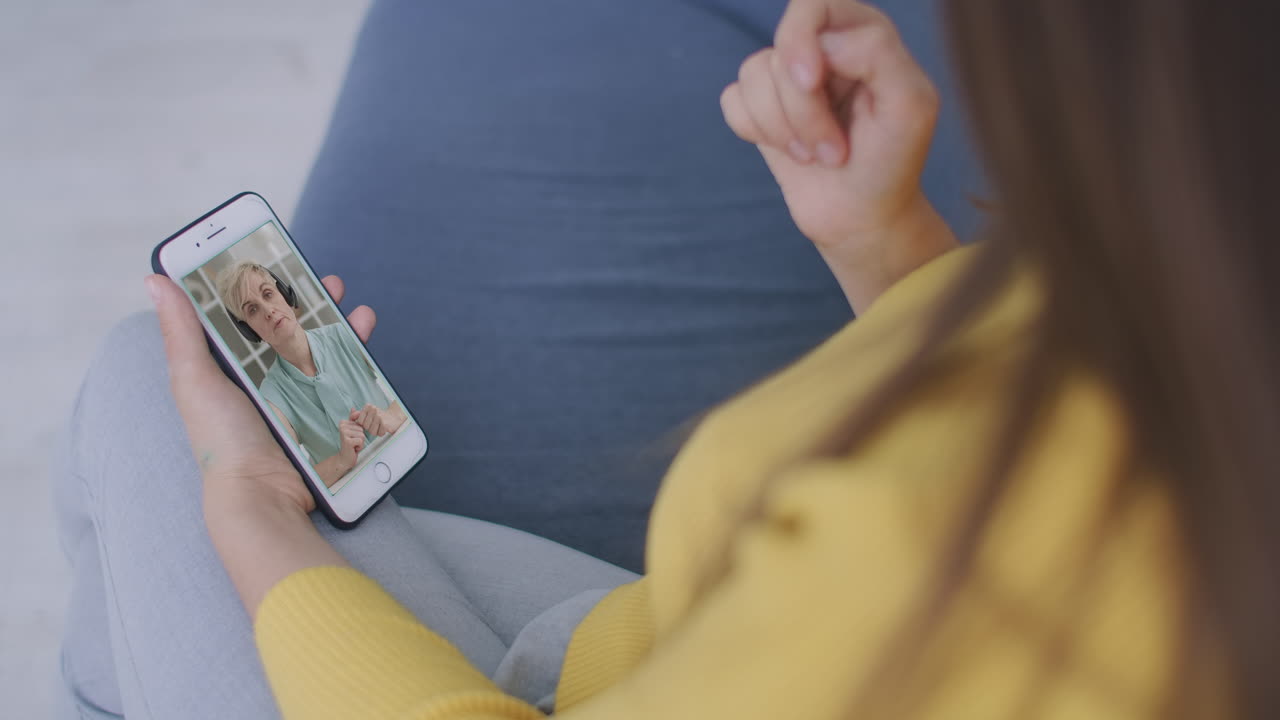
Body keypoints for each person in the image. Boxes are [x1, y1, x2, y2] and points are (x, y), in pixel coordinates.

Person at [54, 0, 1279, 718]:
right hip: (646, 642)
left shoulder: (931, 568)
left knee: (145, 402)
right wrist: (890, 249)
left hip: (635, 664)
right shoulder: (1202, 342)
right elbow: (1015, 401)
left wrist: (255, 513)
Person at [216, 261, 408, 487]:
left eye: (268, 294)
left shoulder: (343, 335)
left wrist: (392, 416)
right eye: (253, 310)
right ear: (248, 330)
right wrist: (342, 461)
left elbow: (411, 383)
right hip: (356, 494)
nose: (268, 311)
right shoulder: (271, 397)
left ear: (286, 295)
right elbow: (291, 480)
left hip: (405, 455)